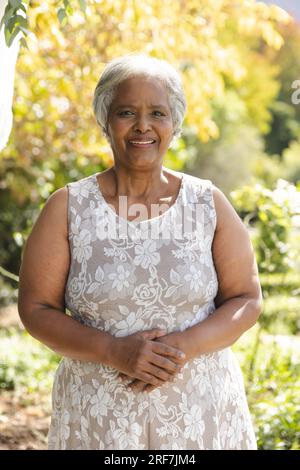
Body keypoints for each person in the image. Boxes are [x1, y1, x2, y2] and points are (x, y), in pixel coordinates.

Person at [18, 53, 263, 450]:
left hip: (200, 415)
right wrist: (113, 350)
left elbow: (247, 298)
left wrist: (185, 346)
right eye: (126, 112)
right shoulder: (66, 208)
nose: (143, 126)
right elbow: (36, 309)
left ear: (175, 122)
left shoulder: (207, 204)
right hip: (99, 419)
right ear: (105, 120)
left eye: (158, 113)